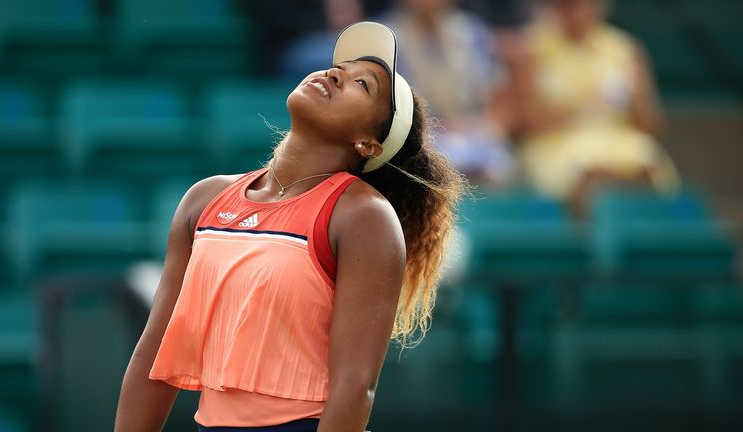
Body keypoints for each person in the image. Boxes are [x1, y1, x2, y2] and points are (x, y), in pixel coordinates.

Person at [114, 22, 466, 432]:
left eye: (362, 84)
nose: (335, 73)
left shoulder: (363, 216)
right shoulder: (204, 198)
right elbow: (152, 357)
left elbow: (355, 388)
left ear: (368, 144)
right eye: (342, 66)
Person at [519, 0, 680, 215]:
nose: (578, 10)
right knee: (584, 174)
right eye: (568, 5)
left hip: (621, 142)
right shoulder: (531, 47)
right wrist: (585, 107)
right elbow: (525, 120)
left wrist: (639, 99)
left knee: (647, 163)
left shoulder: (624, 48)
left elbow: (651, 127)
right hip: (557, 144)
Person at [382, 0, 519, 186]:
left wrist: (478, 126)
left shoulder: (473, 33)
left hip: (473, 130)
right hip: (415, 136)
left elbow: (497, 99)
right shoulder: (385, 37)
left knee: (498, 166)